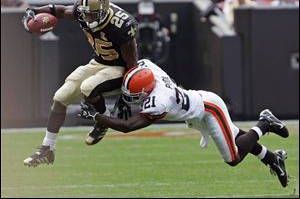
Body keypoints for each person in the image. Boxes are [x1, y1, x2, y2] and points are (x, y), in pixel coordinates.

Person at [79, 59, 290, 188]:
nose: (130, 97)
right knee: (236, 136)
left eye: (133, 95)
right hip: (197, 108)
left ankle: (265, 122)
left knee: (233, 156)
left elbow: (127, 127)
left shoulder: (160, 101)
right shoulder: (147, 70)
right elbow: (134, 66)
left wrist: (96, 116)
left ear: (146, 91)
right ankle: (273, 158)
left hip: (208, 109)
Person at [22, 0, 138, 167]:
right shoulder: (82, 10)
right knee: (61, 97)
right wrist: (35, 11)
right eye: (85, 14)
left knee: (88, 87)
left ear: (103, 11)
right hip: (98, 62)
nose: (88, 18)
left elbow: (132, 62)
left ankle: (103, 120)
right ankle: (47, 149)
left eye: (92, 15)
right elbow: (60, 11)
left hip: (119, 67)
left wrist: (127, 93)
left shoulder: (121, 23)